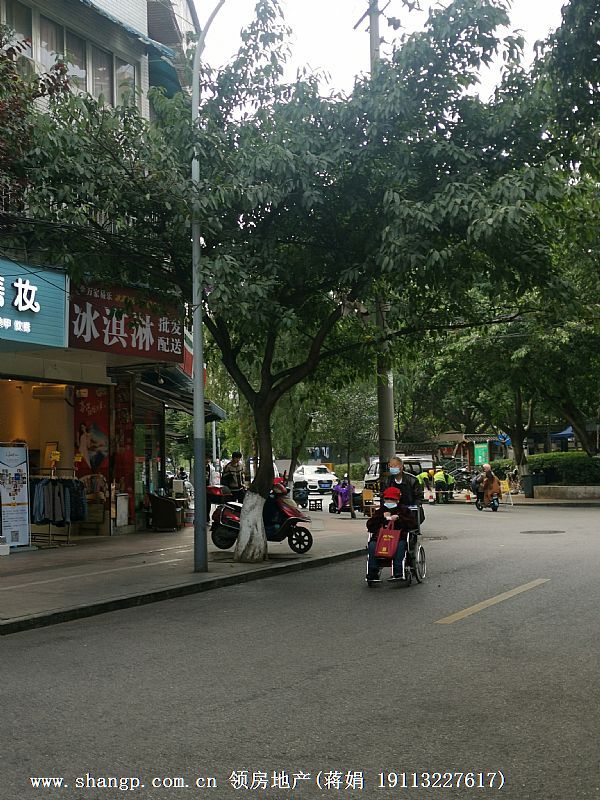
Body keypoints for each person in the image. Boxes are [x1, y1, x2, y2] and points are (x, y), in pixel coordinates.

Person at [365, 486, 417, 582]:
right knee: (372, 546)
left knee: (400, 546)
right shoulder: (380, 511)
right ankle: (372, 573)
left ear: (397, 500)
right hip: (380, 538)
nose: (389, 501)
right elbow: (370, 526)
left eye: (392, 499)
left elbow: (412, 524)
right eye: (387, 499)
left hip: (399, 537)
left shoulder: (404, 510)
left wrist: (399, 518)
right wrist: (381, 517)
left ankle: (398, 572)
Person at [384, 456, 424, 523]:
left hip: (409, 510)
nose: (392, 468)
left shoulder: (413, 480)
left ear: (401, 467)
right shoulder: (388, 481)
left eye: (395, 466)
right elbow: (384, 496)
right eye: (390, 466)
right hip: (393, 510)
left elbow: (418, 497)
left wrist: (413, 509)